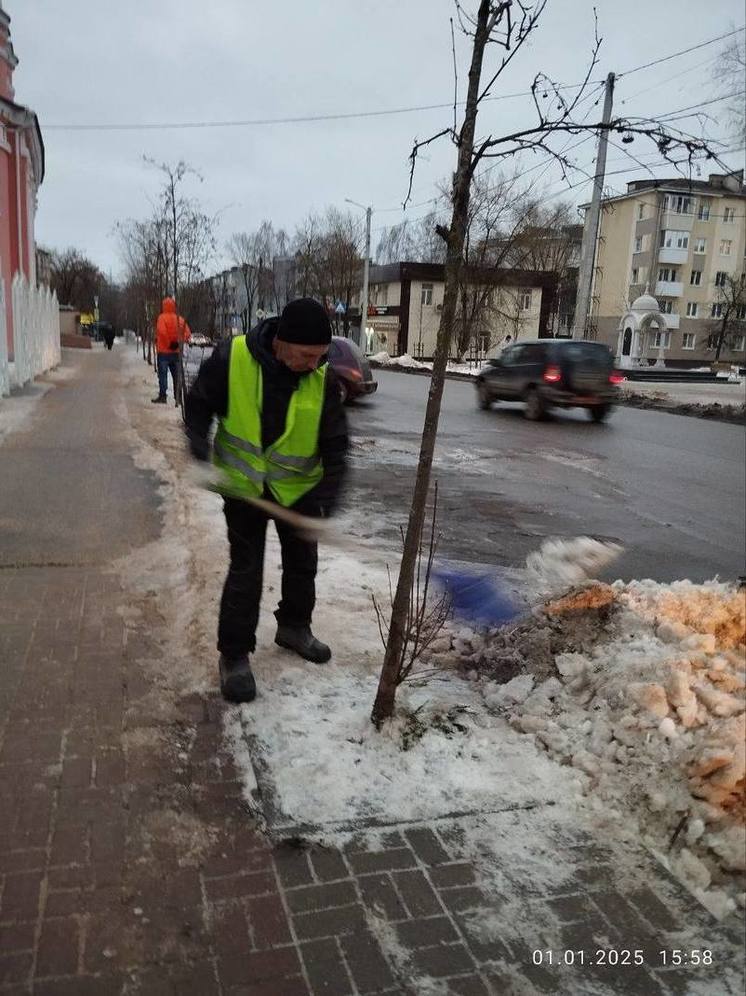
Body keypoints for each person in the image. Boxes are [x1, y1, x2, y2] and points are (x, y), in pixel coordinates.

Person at [184, 298, 348, 703]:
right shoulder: (233, 358)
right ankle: (234, 656)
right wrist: (198, 448)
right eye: (308, 355)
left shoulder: (321, 379)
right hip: (244, 488)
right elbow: (200, 403)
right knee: (246, 569)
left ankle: (294, 626)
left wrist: (327, 499)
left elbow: (336, 445)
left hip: (298, 489)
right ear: (282, 342)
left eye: (321, 357)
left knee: (302, 564)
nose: (315, 364)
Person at [152, 297, 191, 405]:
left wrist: (169, 343)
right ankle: (178, 397)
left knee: (163, 375)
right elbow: (187, 333)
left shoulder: (162, 318)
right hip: (176, 353)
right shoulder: (180, 319)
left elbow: (162, 332)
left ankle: (163, 396)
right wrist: (178, 343)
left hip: (164, 352)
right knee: (177, 376)